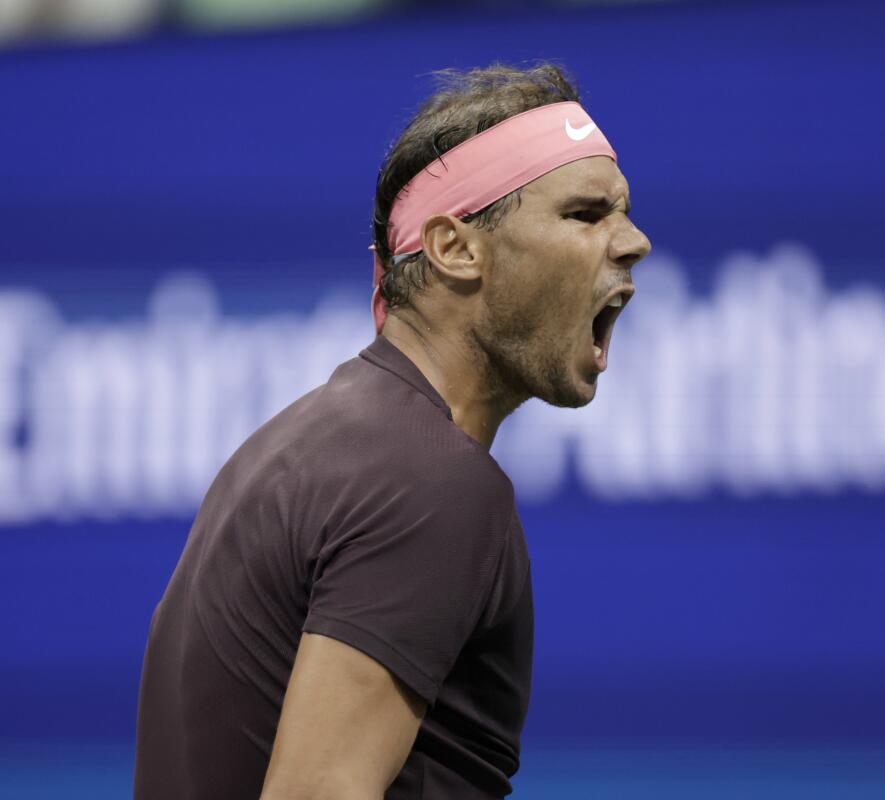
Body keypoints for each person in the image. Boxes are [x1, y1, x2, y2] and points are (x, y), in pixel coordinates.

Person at [133, 62, 651, 799]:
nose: (634, 242)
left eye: (623, 213)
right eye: (585, 214)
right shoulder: (431, 481)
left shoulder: (299, 446)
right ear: (455, 248)